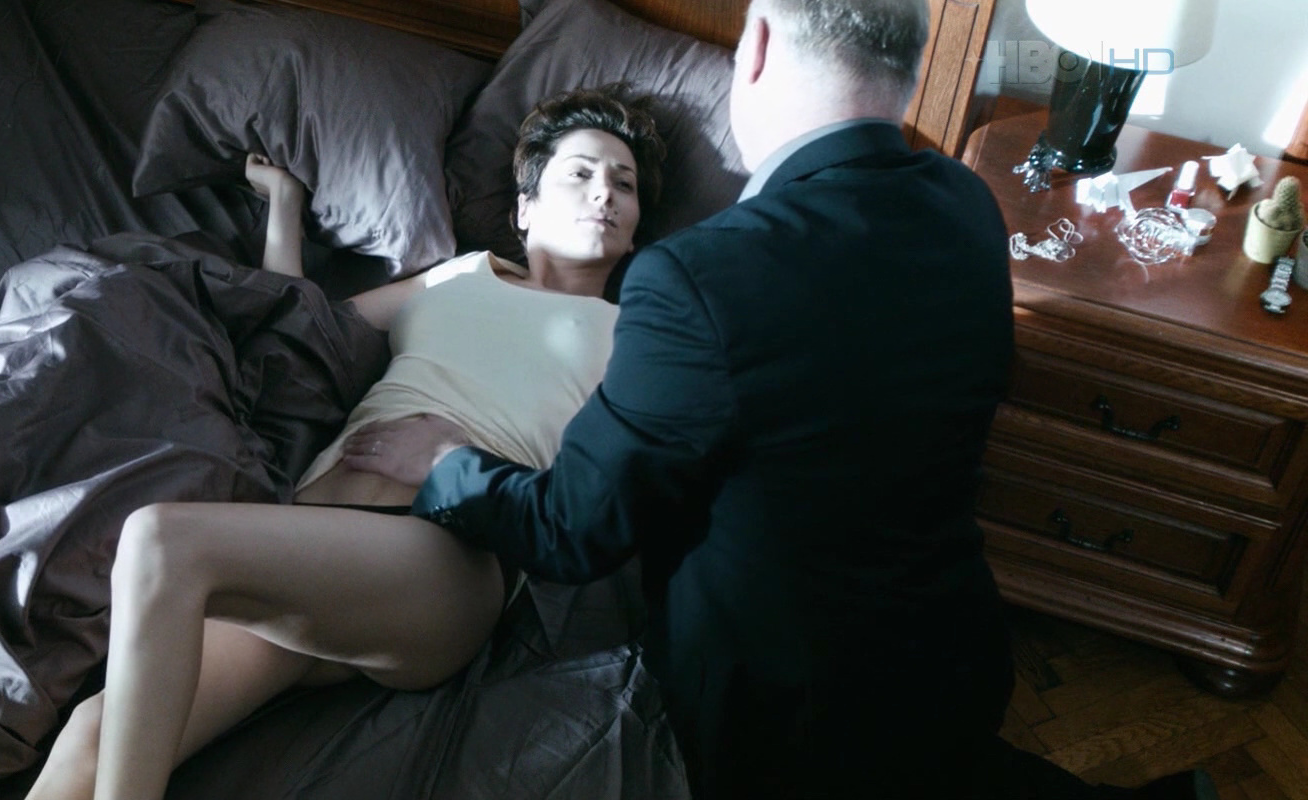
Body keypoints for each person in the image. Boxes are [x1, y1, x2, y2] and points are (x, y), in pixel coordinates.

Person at [355, 1, 1218, 799]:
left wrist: (447, 464)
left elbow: (573, 531)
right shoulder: (966, 202)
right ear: (910, 64)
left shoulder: (695, 277)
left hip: (788, 717)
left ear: (758, 43)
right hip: (956, 658)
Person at [20, 86, 668, 800]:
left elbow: (605, 502)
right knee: (90, 737)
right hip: (313, 549)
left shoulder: (635, 333)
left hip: (444, 557)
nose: (604, 193)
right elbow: (294, 330)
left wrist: (454, 460)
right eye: (581, 172)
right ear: (524, 208)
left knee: (161, 542)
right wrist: (285, 205)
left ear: (637, 228)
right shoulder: (458, 276)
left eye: (625, 184)